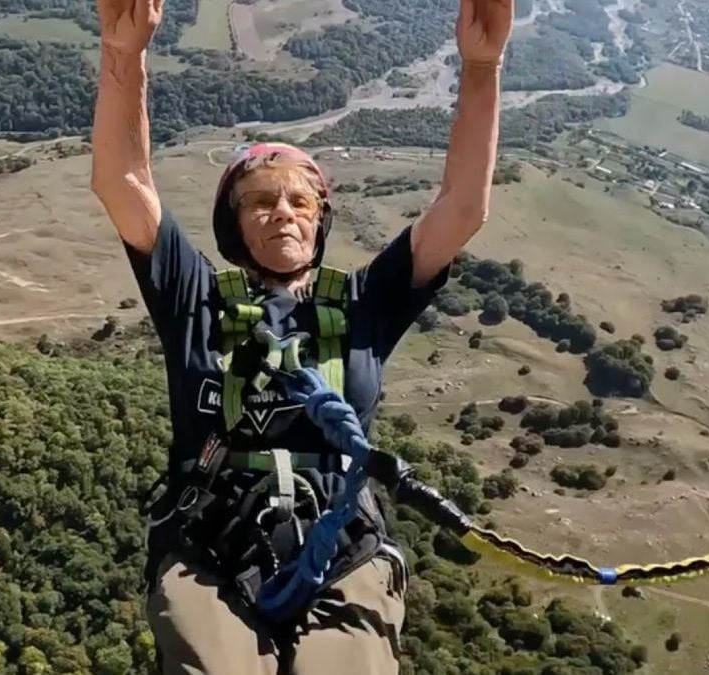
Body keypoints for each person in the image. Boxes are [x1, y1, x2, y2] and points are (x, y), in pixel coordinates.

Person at [90, 0, 513, 672]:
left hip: (343, 549)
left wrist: (483, 69)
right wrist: (124, 57)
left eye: (299, 200)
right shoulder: (194, 295)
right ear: (236, 226)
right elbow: (124, 181)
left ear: (321, 220)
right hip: (210, 552)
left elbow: (461, 207)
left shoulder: (366, 302)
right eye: (260, 200)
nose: (282, 212)